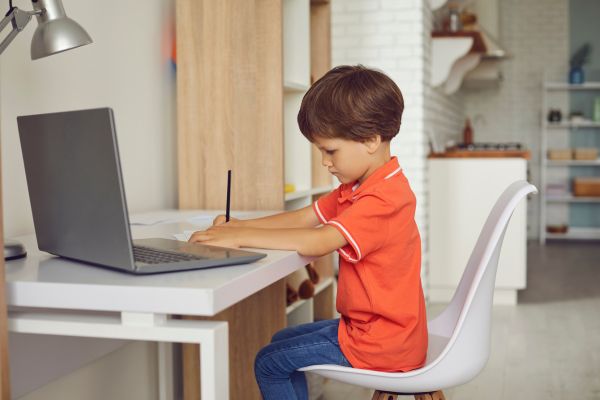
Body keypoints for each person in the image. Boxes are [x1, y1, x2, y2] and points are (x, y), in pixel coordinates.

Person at [188, 65, 428, 399]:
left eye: (330, 150)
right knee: (279, 343)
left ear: (371, 140)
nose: (325, 162)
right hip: (378, 330)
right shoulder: (361, 186)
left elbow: (318, 240)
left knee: (269, 362)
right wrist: (239, 227)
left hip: (381, 342)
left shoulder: (383, 199)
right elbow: (306, 217)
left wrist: (239, 239)